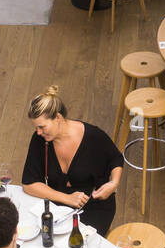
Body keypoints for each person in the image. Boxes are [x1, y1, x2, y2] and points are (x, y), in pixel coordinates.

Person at [21, 86, 123, 234]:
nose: (38, 132)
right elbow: (29, 184)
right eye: (36, 128)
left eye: (42, 127)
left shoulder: (93, 136)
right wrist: (67, 198)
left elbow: (116, 158)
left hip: (95, 207)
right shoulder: (39, 140)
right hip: (59, 207)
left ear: (58, 117)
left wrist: (114, 183)